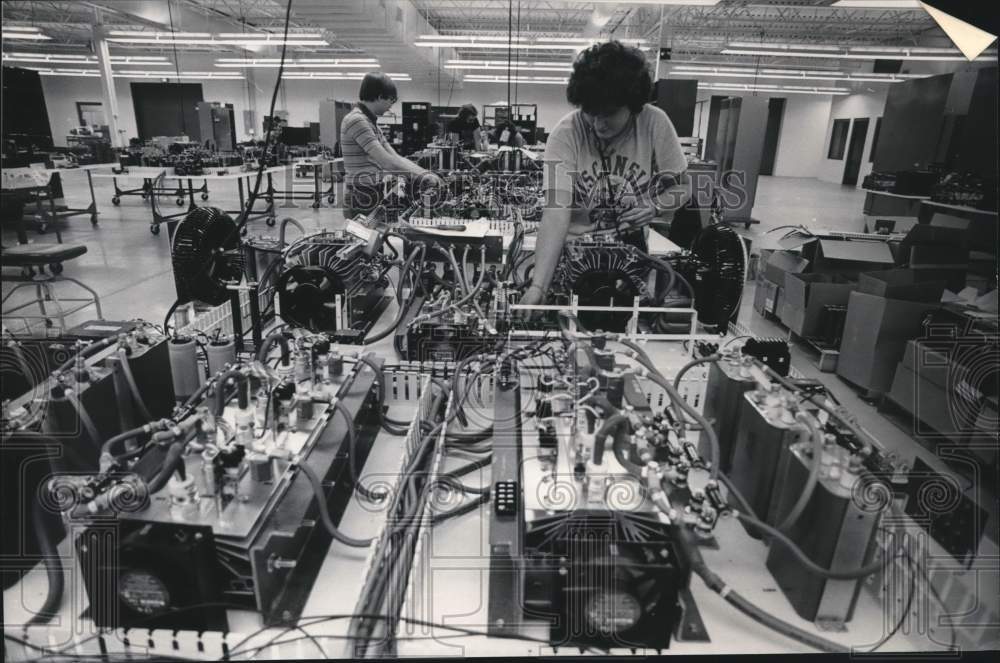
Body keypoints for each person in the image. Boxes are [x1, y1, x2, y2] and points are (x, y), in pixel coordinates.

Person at [518, 41, 690, 309]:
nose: (598, 124)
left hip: (630, 262)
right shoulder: (566, 134)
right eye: (590, 113)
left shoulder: (654, 123)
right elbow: (556, 214)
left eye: (609, 114)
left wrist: (654, 207)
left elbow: (682, 188)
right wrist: (539, 286)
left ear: (633, 106)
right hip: (574, 264)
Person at [340, 72, 442, 218]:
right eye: (391, 101)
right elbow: (388, 163)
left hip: (371, 192)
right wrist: (423, 177)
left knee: (374, 238)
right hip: (361, 195)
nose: (390, 107)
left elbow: (396, 158)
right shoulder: (357, 120)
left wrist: (425, 174)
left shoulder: (370, 122)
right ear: (380, 96)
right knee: (365, 239)